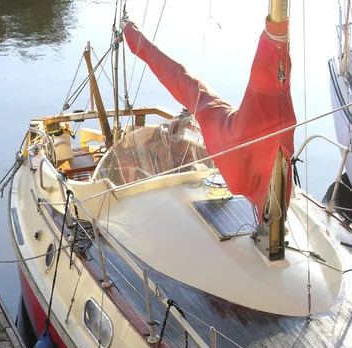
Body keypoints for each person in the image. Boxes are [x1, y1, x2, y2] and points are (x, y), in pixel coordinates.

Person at [120, 14, 296, 221]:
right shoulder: (263, 113)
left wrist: (130, 32)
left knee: (188, 86)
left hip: (233, 141)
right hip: (254, 154)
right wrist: (276, 33)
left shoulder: (213, 112)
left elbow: (177, 76)